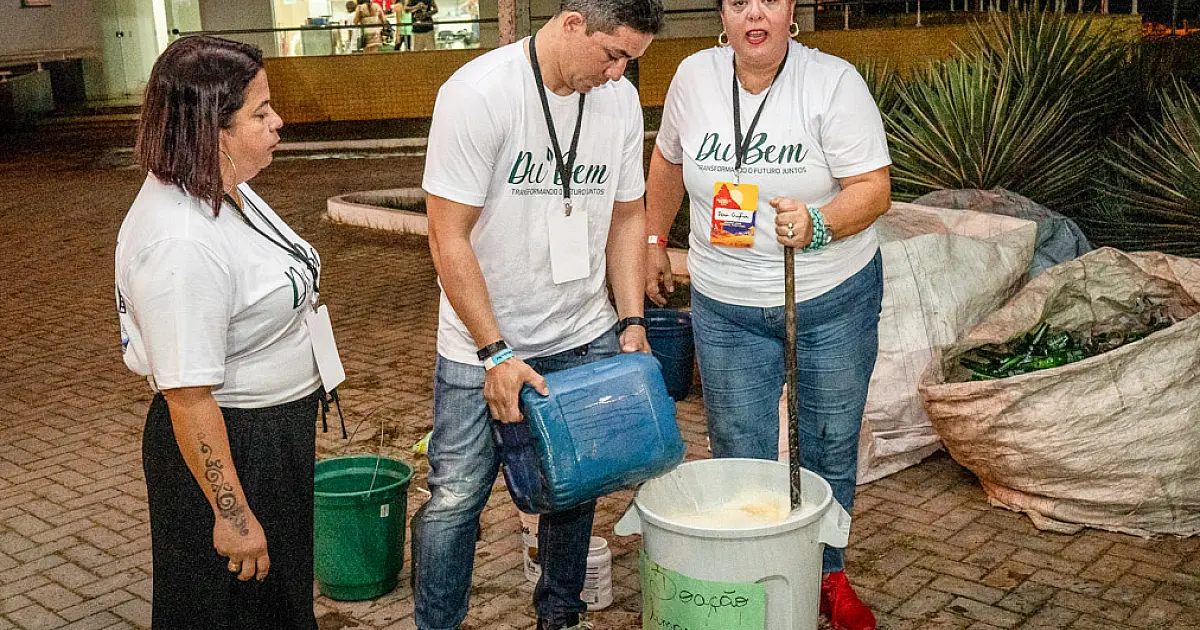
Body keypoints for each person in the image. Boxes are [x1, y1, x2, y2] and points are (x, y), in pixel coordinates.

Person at [412, 0, 664, 627]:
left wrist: (631, 321)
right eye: (613, 56)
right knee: (455, 499)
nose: (618, 75)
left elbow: (628, 215)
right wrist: (496, 352)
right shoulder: (479, 94)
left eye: (631, 63)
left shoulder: (619, 102)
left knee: (575, 490)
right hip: (483, 346)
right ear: (573, 22)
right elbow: (448, 236)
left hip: (583, 334)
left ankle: (560, 615)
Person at [643, 0, 891, 627]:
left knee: (828, 446)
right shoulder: (694, 79)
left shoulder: (832, 82)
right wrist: (652, 240)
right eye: (737, 1)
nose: (755, 12)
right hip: (724, 304)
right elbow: (670, 161)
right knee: (739, 453)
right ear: (721, 15)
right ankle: (755, 574)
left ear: (792, 13)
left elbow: (874, 187)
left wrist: (817, 224)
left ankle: (826, 574)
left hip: (830, 299)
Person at [115, 35, 325, 629]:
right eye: (260, 113)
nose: (277, 122)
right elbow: (187, 395)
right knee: (225, 611)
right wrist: (232, 515)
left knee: (276, 607)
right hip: (231, 445)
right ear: (213, 128)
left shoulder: (220, 186)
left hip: (265, 434)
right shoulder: (181, 242)